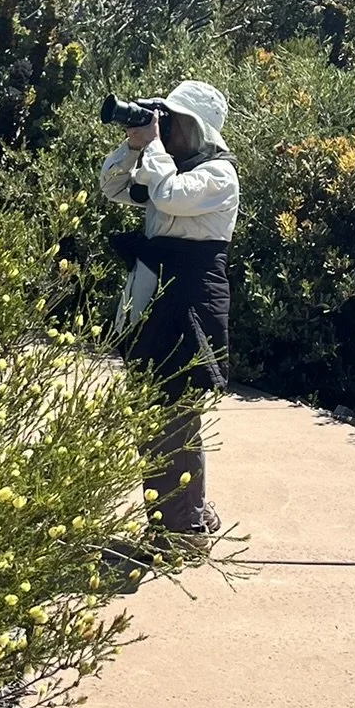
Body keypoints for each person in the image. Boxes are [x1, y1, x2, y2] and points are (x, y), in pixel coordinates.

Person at [99, 80, 239, 537]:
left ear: (196, 128)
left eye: (171, 120)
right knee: (153, 411)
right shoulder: (166, 168)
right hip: (154, 296)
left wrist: (154, 148)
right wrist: (134, 145)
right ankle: (184, 517)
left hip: (190, 302)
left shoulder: (218, 176)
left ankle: (183, 530)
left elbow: (169, 197)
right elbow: (113, 185)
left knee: (174, 415)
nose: (163, 125)